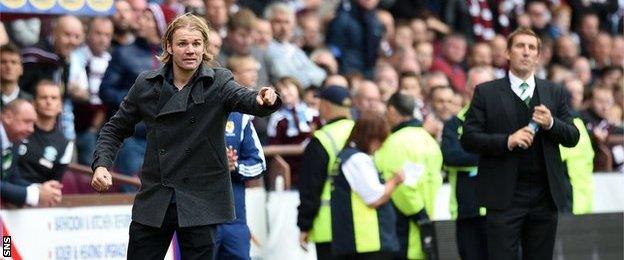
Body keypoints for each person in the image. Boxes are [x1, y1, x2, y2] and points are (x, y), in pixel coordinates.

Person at [90, 14, 280, 259]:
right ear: (169, 46)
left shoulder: (219, 81)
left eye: (196, 44)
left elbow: (246, 98)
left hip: (201, 199)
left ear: (204, 47)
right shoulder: (146, 84)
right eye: (182, 44)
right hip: (156, 196)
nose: (190, 50)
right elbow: (114, 128)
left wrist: (263, 99)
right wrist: (102, 164)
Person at [461, 28, 580, 260]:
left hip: (545, 196)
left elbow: (573, 137)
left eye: (532, 47)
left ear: (538, 56)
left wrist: (551, 123)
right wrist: (507, 141)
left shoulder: (554, 92)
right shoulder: (486, 92)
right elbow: (468, 138)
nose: (526, 52)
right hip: (504, 197)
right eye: (519, 46)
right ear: (507, 53)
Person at [374, 93, 443, 260]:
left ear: (391, 110)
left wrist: (420, 215)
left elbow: (401, 188)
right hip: (429, 225)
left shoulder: (394, 143)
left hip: (405, 228)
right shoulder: (428, 140)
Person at [441, 66, 494, 260]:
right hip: (467, 211)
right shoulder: (454, 124)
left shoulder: (507, 121)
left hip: (501, 209)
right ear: (467, 91)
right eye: (475, 89)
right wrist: (492, 153)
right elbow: (450, 157)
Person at [297, 86, 354, 260]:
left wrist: (304, 225)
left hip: (329, 228)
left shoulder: (322, 139)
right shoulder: (361, 132)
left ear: (327, 106)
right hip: (361, 227)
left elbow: (310, 188)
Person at [1, 99, 63, 207]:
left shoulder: (14, 141)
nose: (31, 129)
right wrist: (34, 195)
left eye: (33, 123)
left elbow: (12, 179)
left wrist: (40, 189)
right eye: (27, 121)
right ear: (8, 117)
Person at [18, 81, 73, 183]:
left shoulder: (65, 143)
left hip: (41, 196)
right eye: (44, 97)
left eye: (54, 98)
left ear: (60, 106)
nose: (49, 102)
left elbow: (55, 182)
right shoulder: (18, 129)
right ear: (34, 103)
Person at [1, 43, 32, 107]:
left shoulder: (30, 102)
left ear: (21, 69)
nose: (9, 66)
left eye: (13, 62)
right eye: (3, 62)